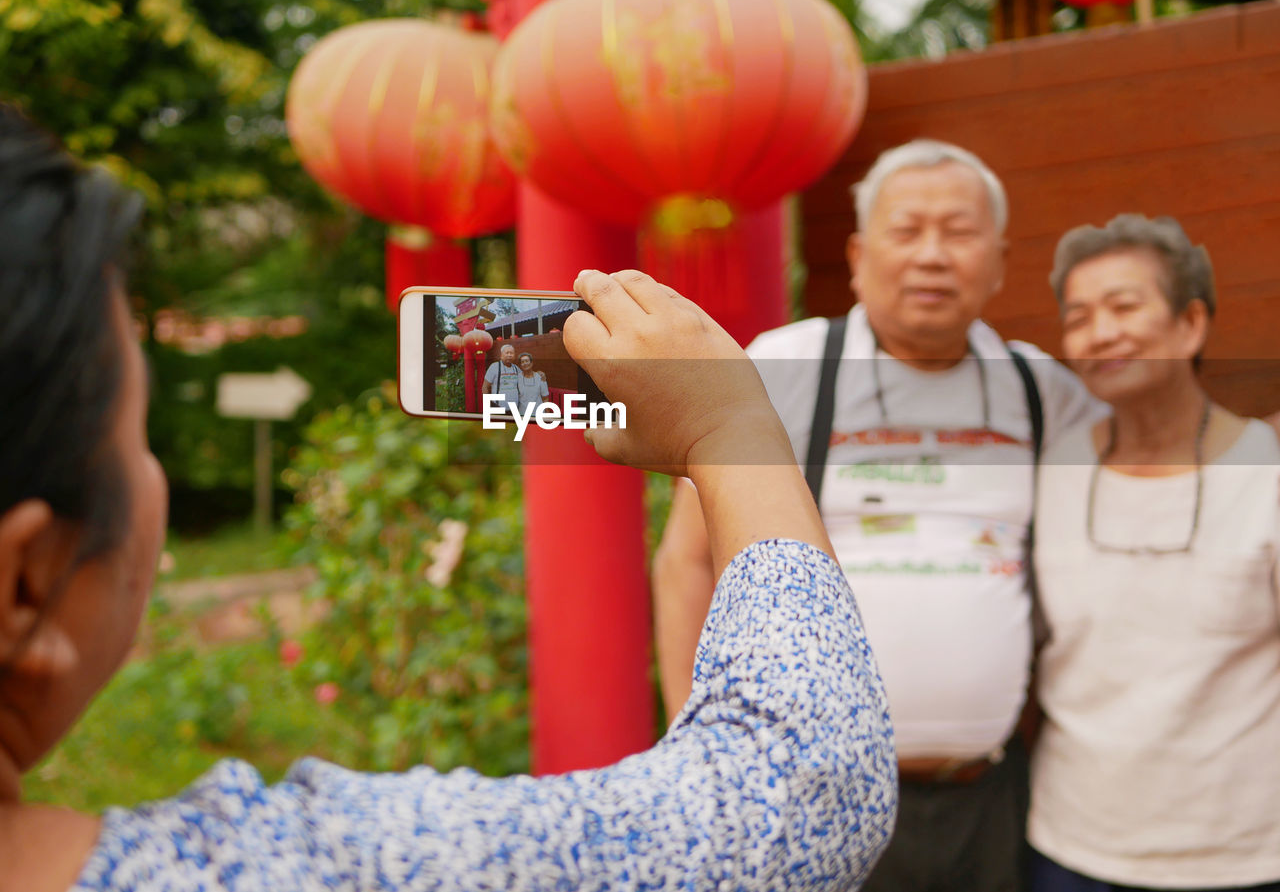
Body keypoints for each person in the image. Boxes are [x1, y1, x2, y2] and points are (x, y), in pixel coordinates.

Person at [0, 107, 896, 891]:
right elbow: (801, 796)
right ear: (23, 585)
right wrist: (732, 429)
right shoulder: (272, 871)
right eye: (137, 439)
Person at [654, 139, 1101, 892]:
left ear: (997, 259)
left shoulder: (1042, 388)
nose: (932, 255)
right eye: (907, 230)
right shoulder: (783, 366)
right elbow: (687, 562)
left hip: (989, 797)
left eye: (958, 232)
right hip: (812, 794)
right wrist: (686, 751)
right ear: (859, 255)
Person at [1028, 214, 1280, 892]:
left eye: (1124, 306)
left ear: (1190, 323)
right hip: (1068, 846)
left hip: (1241, 858)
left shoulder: (1267, 470)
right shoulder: (1052, 469)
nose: (1099, 332)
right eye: (1078, 316)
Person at [482, 343, 521, 408]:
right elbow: (485, 387)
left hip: (514, 408)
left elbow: (526, 375)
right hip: (497, 406)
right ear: (501, 355)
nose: (509, 355)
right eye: (507, 353)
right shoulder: (494, 367)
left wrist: (539, 374)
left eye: (511, 353)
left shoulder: (516, 368)